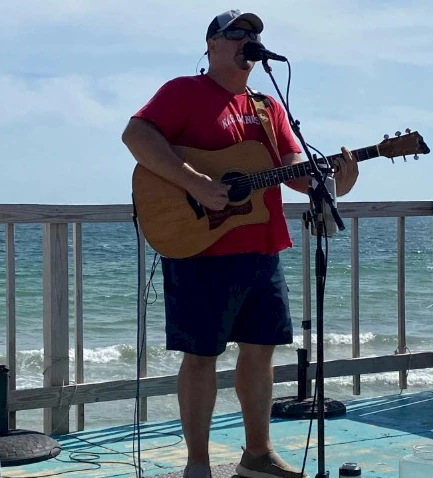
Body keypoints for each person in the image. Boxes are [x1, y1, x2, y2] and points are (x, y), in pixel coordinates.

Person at [122, 8, 359, 478]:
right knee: (201, 355)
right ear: (211, 44)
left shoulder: (267, 108)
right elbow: (136, 134)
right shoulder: (183, 92)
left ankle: (257, 456)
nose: (247, 42)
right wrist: (193, 182)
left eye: (252, 37)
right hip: (201, 247)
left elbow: (294, 167)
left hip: (262, 247)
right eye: (236, 34)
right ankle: (198, 465)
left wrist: (334, 180)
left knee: (260, 351)